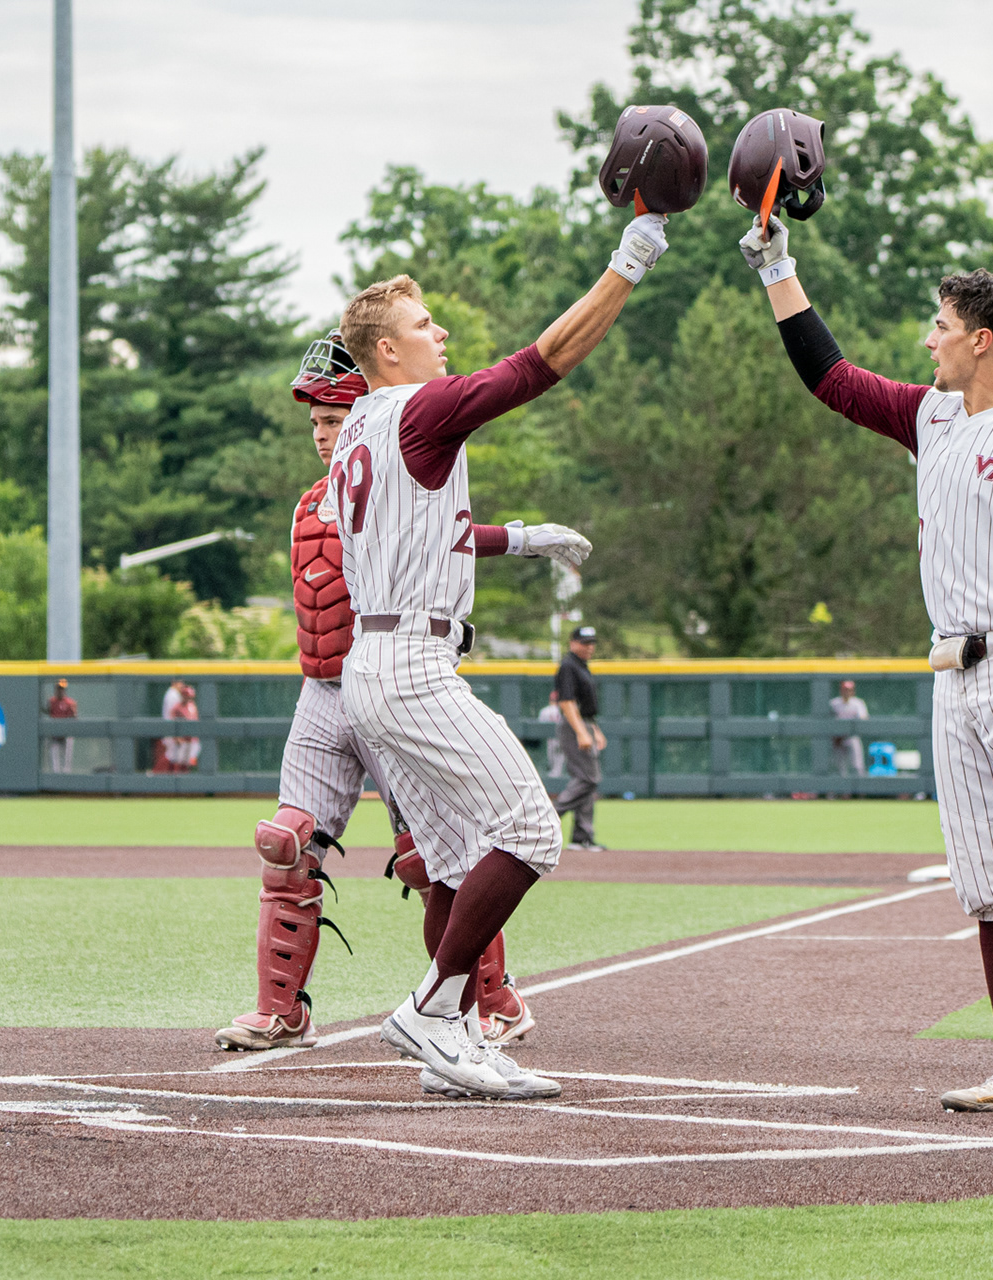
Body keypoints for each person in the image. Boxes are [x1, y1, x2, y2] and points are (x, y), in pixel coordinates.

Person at [739, 208, 993, 1118]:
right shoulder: (932, 416)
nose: (926, 339)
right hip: (953, 669)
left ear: (980, 339)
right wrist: (777, 264)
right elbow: (831, 377)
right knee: (986, 880)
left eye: (939, 325)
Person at [329, 208, 662, 1101]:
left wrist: (520, 536)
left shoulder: (358, 428)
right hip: (410, 669)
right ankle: (434, 1010)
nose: (439, 332)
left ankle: (459, 1041)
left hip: (376, 660)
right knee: (530, 830)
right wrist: (627, 263)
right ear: (387, 352)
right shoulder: (422, 405)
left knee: (446, 860)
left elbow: (425, 532)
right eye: (423, 324)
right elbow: (540, 364)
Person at [216, 332, 583, 1055]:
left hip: (385, 677)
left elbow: (441, 534)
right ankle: (280, 1010)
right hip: (322, 690)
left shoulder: (391, 457)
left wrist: (521, 538)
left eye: (331, 417)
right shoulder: (310, 501)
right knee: (284, 843)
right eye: (314, 422)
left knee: (433, 853)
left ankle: (484, 1000)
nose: (322, 433)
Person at [553, 626, 607, 851]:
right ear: (573, 642)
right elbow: (566, 701)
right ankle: (548, 818)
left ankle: (581, 837)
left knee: (585, 780)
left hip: (583, 722)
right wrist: (581, 731)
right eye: (585, 642)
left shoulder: (581, 666)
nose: (589, 647)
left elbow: (585, 705)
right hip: (573, 725)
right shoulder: (568, 665)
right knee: (589, 778)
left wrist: (593, 728)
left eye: (592, 642)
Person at [828, 679, 869, 777]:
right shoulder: (834, 703)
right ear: (841, 690)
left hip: (852, 736)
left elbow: (864, 719)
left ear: (853, 691)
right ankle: (841, 791)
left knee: (857, 766)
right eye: (845, 689)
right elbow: (828, 722)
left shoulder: (858, 703)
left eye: (849, 689)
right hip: (838, 738)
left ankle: (859, 790)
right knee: (839, 767)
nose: (847, 691)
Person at [45, 679, 78, 773]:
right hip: (55, 735)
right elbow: (48, 714)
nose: (60, 690)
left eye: (62, 689)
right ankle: (55, 783)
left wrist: (73, 713)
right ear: (55, 689)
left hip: (66, 735)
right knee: (55, 764)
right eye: (59, 688)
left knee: (67, 764)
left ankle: (66, 783)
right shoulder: (51, 701)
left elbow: (75, 719)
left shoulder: (70, 702)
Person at [537, 691, 568, 779]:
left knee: (551, 763)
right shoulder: (565, 711)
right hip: (562, 740)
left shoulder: (544, 711)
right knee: (560, 765)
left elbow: (539, 728)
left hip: (549, 741)